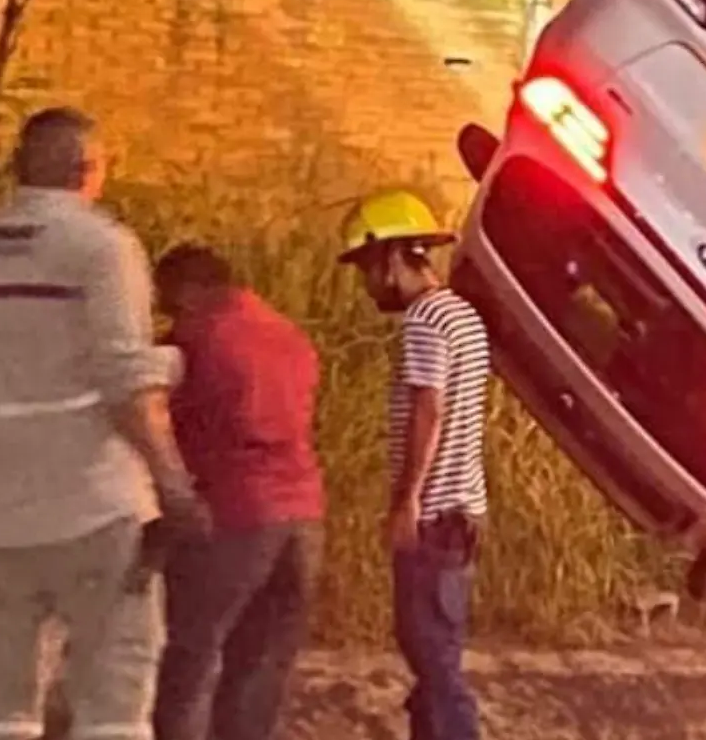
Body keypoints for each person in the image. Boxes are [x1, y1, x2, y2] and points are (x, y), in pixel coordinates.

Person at [0, 107, 206, 740]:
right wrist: (175, 488)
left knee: (2, 708)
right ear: (90, 171)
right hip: (94, 514)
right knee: (113, 703)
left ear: (17, 168)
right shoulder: (101, 248)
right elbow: (127, 384)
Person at [150, 244, 325, 740]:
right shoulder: (290, 336)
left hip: (235, 512)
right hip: (304, 513)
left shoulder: (200, 337)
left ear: (188, 291)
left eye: (168, 300)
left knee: (191, 653)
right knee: (263, 662)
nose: (168, 313)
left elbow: (164, 419)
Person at [336, 190, 490, 740]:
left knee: (432, 657)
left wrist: (406, 501)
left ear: (392, 257)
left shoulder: (424, 320)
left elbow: (429, 406)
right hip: (465, 511)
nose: (368, 284)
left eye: (367, 269)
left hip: (434, 518)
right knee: (436, 650)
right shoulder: (462, 314)